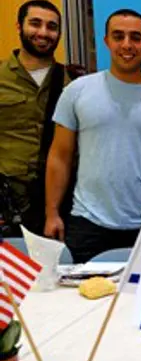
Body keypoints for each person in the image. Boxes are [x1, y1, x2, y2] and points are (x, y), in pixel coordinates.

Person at [44, 9, 141, 263]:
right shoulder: (77, 91)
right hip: (88, 224)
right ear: (106, 41)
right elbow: (60, 156)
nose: (127, 45)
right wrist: (52, 212)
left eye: (135, 38)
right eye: (118, 36)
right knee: (87, 301)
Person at [0, 0, 82, 237]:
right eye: (35, 24)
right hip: (8, 200)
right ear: (19, 26)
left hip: (60, 200)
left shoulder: (74, 81)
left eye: (52, 26)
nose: (43, 33)